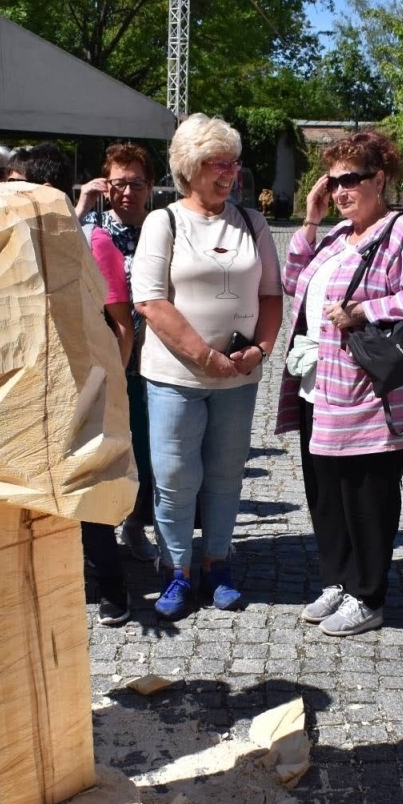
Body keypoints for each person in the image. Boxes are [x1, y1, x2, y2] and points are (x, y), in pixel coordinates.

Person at [277, 130, 403, 637]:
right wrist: (311, 220)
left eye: (351, 180)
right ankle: (338, 579)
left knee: (366, 498)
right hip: (318, 387)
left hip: (368, 393)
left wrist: (364, 311)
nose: (341, 191)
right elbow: (293, 283)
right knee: (325, 493)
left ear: (380, 179)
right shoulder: (335, 235)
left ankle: (368, 594)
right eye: (333, 183)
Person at [131, 114, 282, 620]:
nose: (228, 174)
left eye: (232, 163)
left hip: (239, 376)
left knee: (224, 475)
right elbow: (150, 301)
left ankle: (218, 562)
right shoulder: (164, 220)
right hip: (175, 377)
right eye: (217, 164)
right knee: (175, 476)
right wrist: (204, 356)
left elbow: (270, 295)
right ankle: (177, 569)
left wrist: (259, 349)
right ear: (189, 168)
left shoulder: (253, 222)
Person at [23, 143, 137, 624]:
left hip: (85, 388)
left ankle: (114, 589)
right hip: (31, 389)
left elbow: (122, 326)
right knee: (38, 494)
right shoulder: (14, 247)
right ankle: (52, 584)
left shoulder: (95, 243)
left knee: (88, 492)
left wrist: (109, 388)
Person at [77, 142, 159, 563]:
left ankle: (136, 524)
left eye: (137, 184)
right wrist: (83, 203)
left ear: (151, 187)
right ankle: (98, 531)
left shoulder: (162, 229)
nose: (127, 192)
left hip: (151, 359)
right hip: (101, 358)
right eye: (118, 183)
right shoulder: (91, 230)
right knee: (102, 448)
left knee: (143, 450)